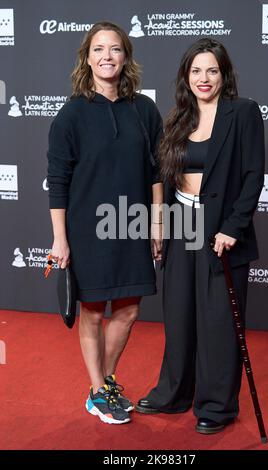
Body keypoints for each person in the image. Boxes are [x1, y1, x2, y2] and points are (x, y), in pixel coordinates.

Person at [136, 38, 265, 434]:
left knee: (219, 322)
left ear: (224, 74)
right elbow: (163, 174)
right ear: (186, 76)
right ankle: (174, 393)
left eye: (211, 70)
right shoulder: (178, 118)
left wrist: (232, 227)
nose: (203, 78)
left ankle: (216, 405)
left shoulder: (243, 113)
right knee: (179, 316)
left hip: (221, 231)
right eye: (196, 71)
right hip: (180, 227)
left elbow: (252, 177)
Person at [47, 21, 163, 425]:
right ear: (87, 57)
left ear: (125, 57)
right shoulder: (71, 115)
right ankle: (98, 392)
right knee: (93, 313)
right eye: (99, 49)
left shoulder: (144, 110)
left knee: (129, 310)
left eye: (115, 49)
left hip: (131, 224)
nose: (107, 56)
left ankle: (106, 380)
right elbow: (58, 181)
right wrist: (60, 239)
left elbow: (156, 172)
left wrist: (158, 222)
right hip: (87, 229)